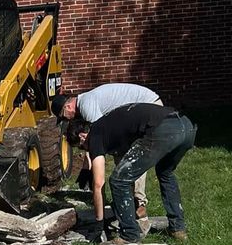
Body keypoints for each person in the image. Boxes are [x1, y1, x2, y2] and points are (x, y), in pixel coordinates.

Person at [69, 103, 196, 244]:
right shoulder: (110, 125)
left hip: (162, 129)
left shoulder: (95, 134)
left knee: (118, 181)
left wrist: (99, 224)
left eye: (81, 146)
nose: (86, 150)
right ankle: (178, 229)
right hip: (186, 126)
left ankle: (129, 234)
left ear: (82, 136)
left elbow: (98, 184)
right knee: (165, 173)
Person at [52, 83, 163, 218]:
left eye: (63, 116)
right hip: (141, 110)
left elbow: (99, 138)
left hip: (149, 107)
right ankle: (130, 202)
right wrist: (87, 164)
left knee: (133, 158)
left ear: (68, 106)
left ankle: (138, 204)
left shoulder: (86, 106)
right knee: (122, 157)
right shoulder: (86, 101)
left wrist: (90, 168)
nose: (66, 119)